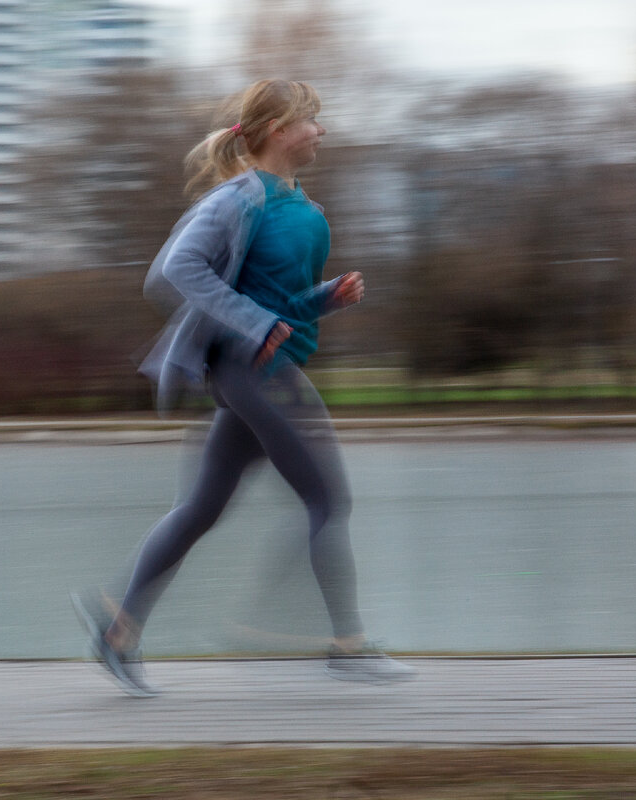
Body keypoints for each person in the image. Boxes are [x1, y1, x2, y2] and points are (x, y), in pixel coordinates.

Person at [72, 79, 415, 697]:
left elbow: (277, 301)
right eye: (312, 120)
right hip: (249, 370)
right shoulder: (238, 199)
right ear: (279, 129)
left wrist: (323, 301)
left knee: (201, 508)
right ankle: (349, 646)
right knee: (328, 502)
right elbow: (174, 270)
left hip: (258, 369)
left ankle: (117, 630)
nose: (322, 130)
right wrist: (258, 324)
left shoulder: (299, 204)